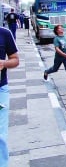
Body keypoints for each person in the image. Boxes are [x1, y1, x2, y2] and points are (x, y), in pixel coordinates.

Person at [0, 26, 20, 166]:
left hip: (1, 90)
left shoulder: (5, 33)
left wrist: (4, 63)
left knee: (0, 135)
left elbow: (15, 59)